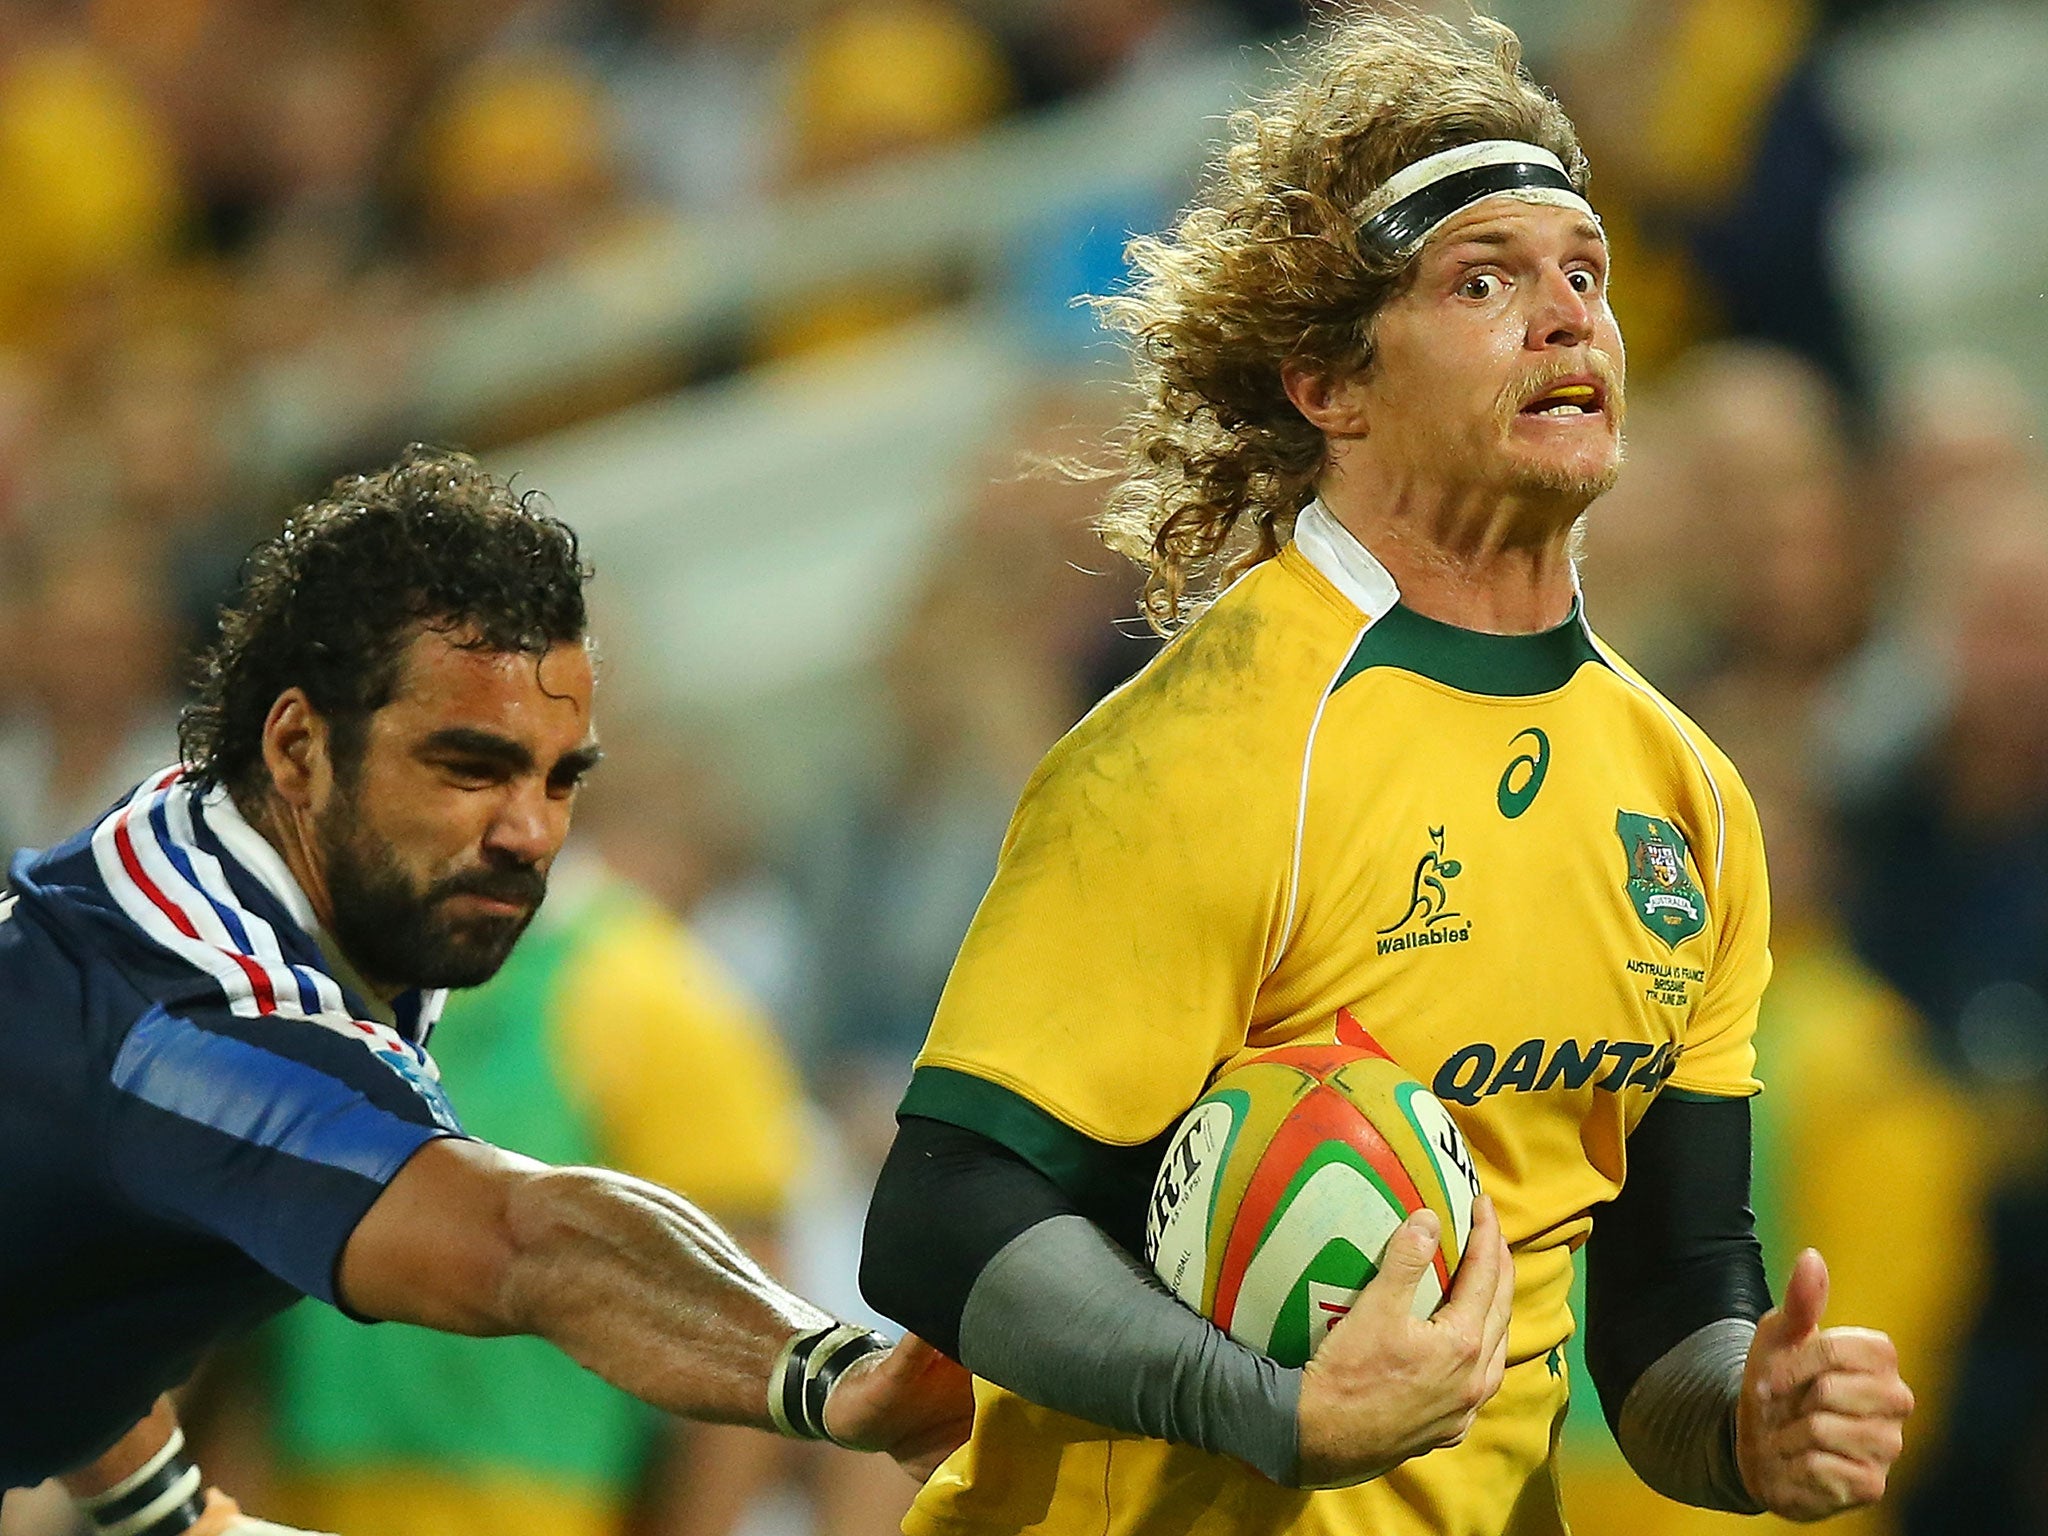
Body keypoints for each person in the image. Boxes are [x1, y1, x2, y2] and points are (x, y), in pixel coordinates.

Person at [858, 12, 1913, 1536]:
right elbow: (947, 1216)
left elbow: (1670, 1307)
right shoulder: (1204, 751)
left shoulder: (1685, 797)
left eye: (1585, 274)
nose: (1567, 319)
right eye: (1482, 280)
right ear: (1326, 387)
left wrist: (1750, 1422)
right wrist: (1279, 1414)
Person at [0, 447, 971, 1534]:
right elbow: (522, 1243)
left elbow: (72, 1221)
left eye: (560, 778)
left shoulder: (197, 850)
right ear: (298, 745)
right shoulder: (198, 1026)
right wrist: (835, 1375)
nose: (532, 833)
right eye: (470, 768)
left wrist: (156, 1510)